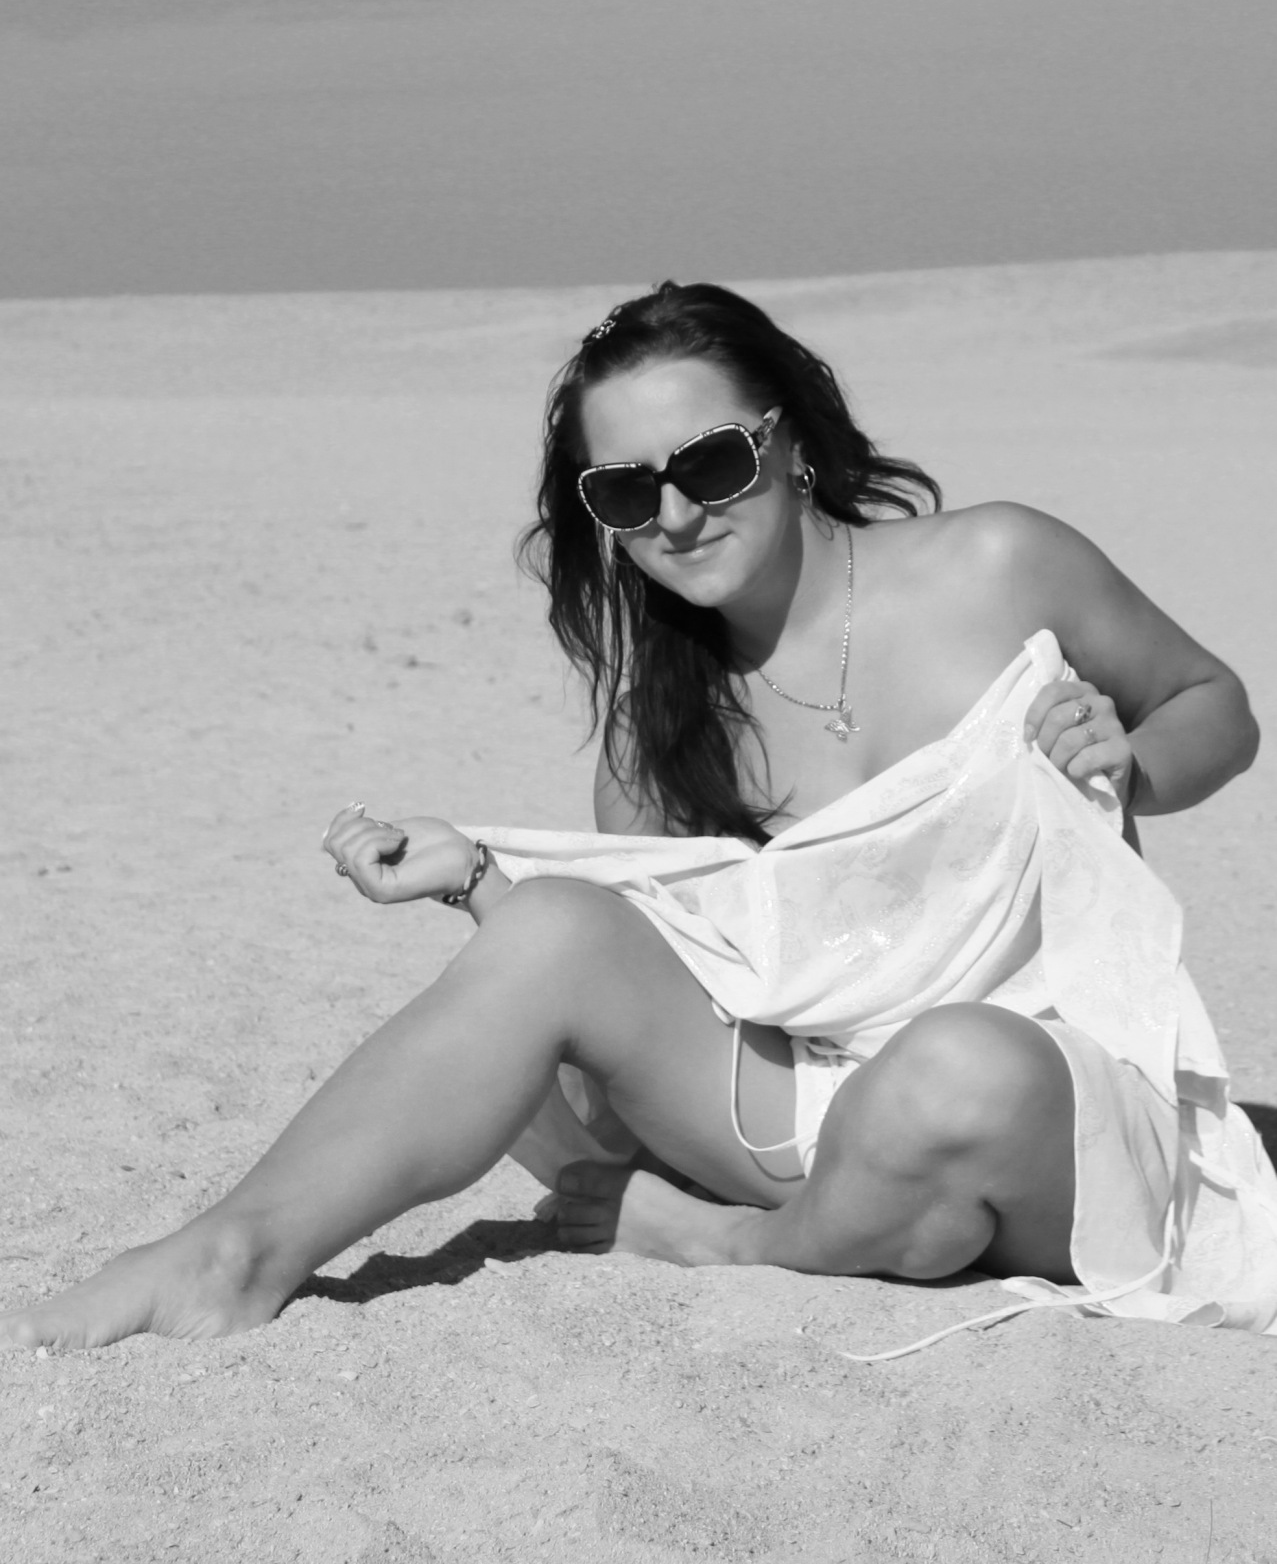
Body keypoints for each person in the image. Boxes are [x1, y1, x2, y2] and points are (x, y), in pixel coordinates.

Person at [3, 279, 1273, 1354]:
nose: (673, 515)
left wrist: (1133, 761)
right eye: (622, 491)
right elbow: (686, 977)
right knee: (555, 925)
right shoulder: (660, 726)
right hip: (810, 1112)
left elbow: (1214, 704)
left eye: (709, 462)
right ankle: (234, 1250)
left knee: (956, 1069)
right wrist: (483, 883)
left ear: (791, 438)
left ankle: (733, 1243)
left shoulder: (997, 565)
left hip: (1040, 1105)